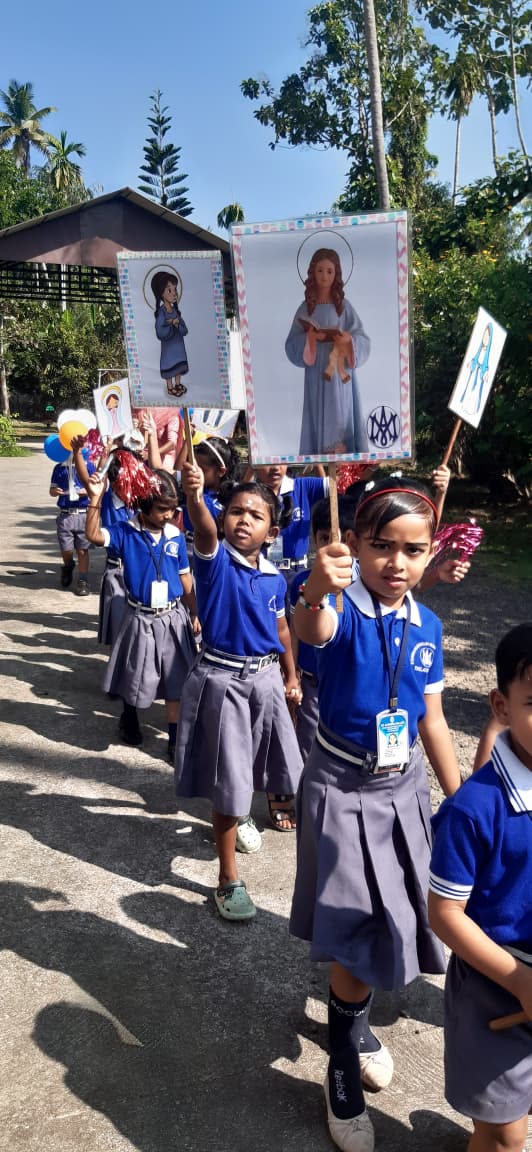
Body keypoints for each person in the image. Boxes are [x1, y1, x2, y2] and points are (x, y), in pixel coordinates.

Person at [289, 476, 461, 1152]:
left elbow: (432, 719)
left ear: (430, 553)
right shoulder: (340, 608)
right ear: (356, 545)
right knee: (359, 925)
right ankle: (341, 1065)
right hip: (342, 784)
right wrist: (314, 588)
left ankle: (354, 1026)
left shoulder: (429, 626)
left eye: (413, 550)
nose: (396, 562)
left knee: (398, 915)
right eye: (381, 546)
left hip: (403, 786)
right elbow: (311, 628)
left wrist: (461, 796)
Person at [174, 462, 304, 921]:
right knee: (229, 780)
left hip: (266, 681)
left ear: (272, 532)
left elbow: (282, 628)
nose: (243, 520)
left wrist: (290, 675)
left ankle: (242, 813)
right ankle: (228, 878)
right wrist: (194, 498)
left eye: (255, 515)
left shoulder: (274, 578)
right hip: (223, 680)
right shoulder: (214, 562)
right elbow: (204, 531)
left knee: (260, 763)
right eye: (235, 511)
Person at [428, 623, 532, 1152]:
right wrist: (521, 982)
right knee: (504, 1131)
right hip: (496, 983)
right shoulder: (473, 809)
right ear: (502, 706)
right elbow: (445, 913)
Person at [85, 468, 199, 758]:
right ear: (143, 504)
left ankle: (174, 738)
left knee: (176, 678)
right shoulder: (125, 532)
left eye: (173, 509)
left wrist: (195, 611)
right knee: (135, 672)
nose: (169, 515)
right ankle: (129, 717)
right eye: (162, 509)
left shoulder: (175, 536)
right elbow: (94, 535)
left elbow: (185, 577)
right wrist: (95, 498)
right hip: (139, 616)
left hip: (172, 616)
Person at [285, 247, 370, 456]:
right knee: (317, 413)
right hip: (316, 374)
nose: (324, 276)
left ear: (336, 274)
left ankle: (341, 460)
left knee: (341, 414)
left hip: (341, 376)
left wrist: (348, 340)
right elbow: (291, 343)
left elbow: (362, 338)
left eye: (329, 271)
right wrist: (310, 338)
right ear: (313, 273)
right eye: (320, 271)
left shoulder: (345, 308)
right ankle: (319, 464)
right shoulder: (305, 308)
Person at [49, 450, 96, 596]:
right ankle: (68, 565)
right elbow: (51, 490)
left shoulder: (89, 466)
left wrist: (87, 491)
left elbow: (96, 487)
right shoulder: (59, 468)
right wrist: (55, 491)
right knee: (66, 549)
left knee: (82, 549)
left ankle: (83, 580)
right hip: (65, 514)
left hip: (83, 513)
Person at [151, 271, 188, 399]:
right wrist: (171, 324)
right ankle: (170, 387)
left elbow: (185, 329)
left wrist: (178, 324)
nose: (174, 293)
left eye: (175, 289)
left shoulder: (176, 311)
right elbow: (160, 331)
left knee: (179, 366)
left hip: (178, 346)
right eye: (169, 290)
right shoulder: (161, 313)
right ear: (161, 293)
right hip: (169, 348)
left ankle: (178, 384)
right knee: (170, 366)